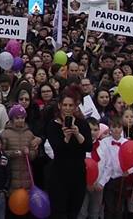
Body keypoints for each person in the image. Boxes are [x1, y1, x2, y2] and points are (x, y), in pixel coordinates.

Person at [45, 90, 92, 219]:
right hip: (59, 174)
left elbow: (88, 147)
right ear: (59, 105)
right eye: (65, 105)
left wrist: (77, 134)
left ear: (75, 107)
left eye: (71, 105)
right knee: (59, 212)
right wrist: (66, 137)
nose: (67, 108)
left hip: (78, 173)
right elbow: (58, 150)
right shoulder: (52, 125)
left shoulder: (82, 124)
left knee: (74, 211)